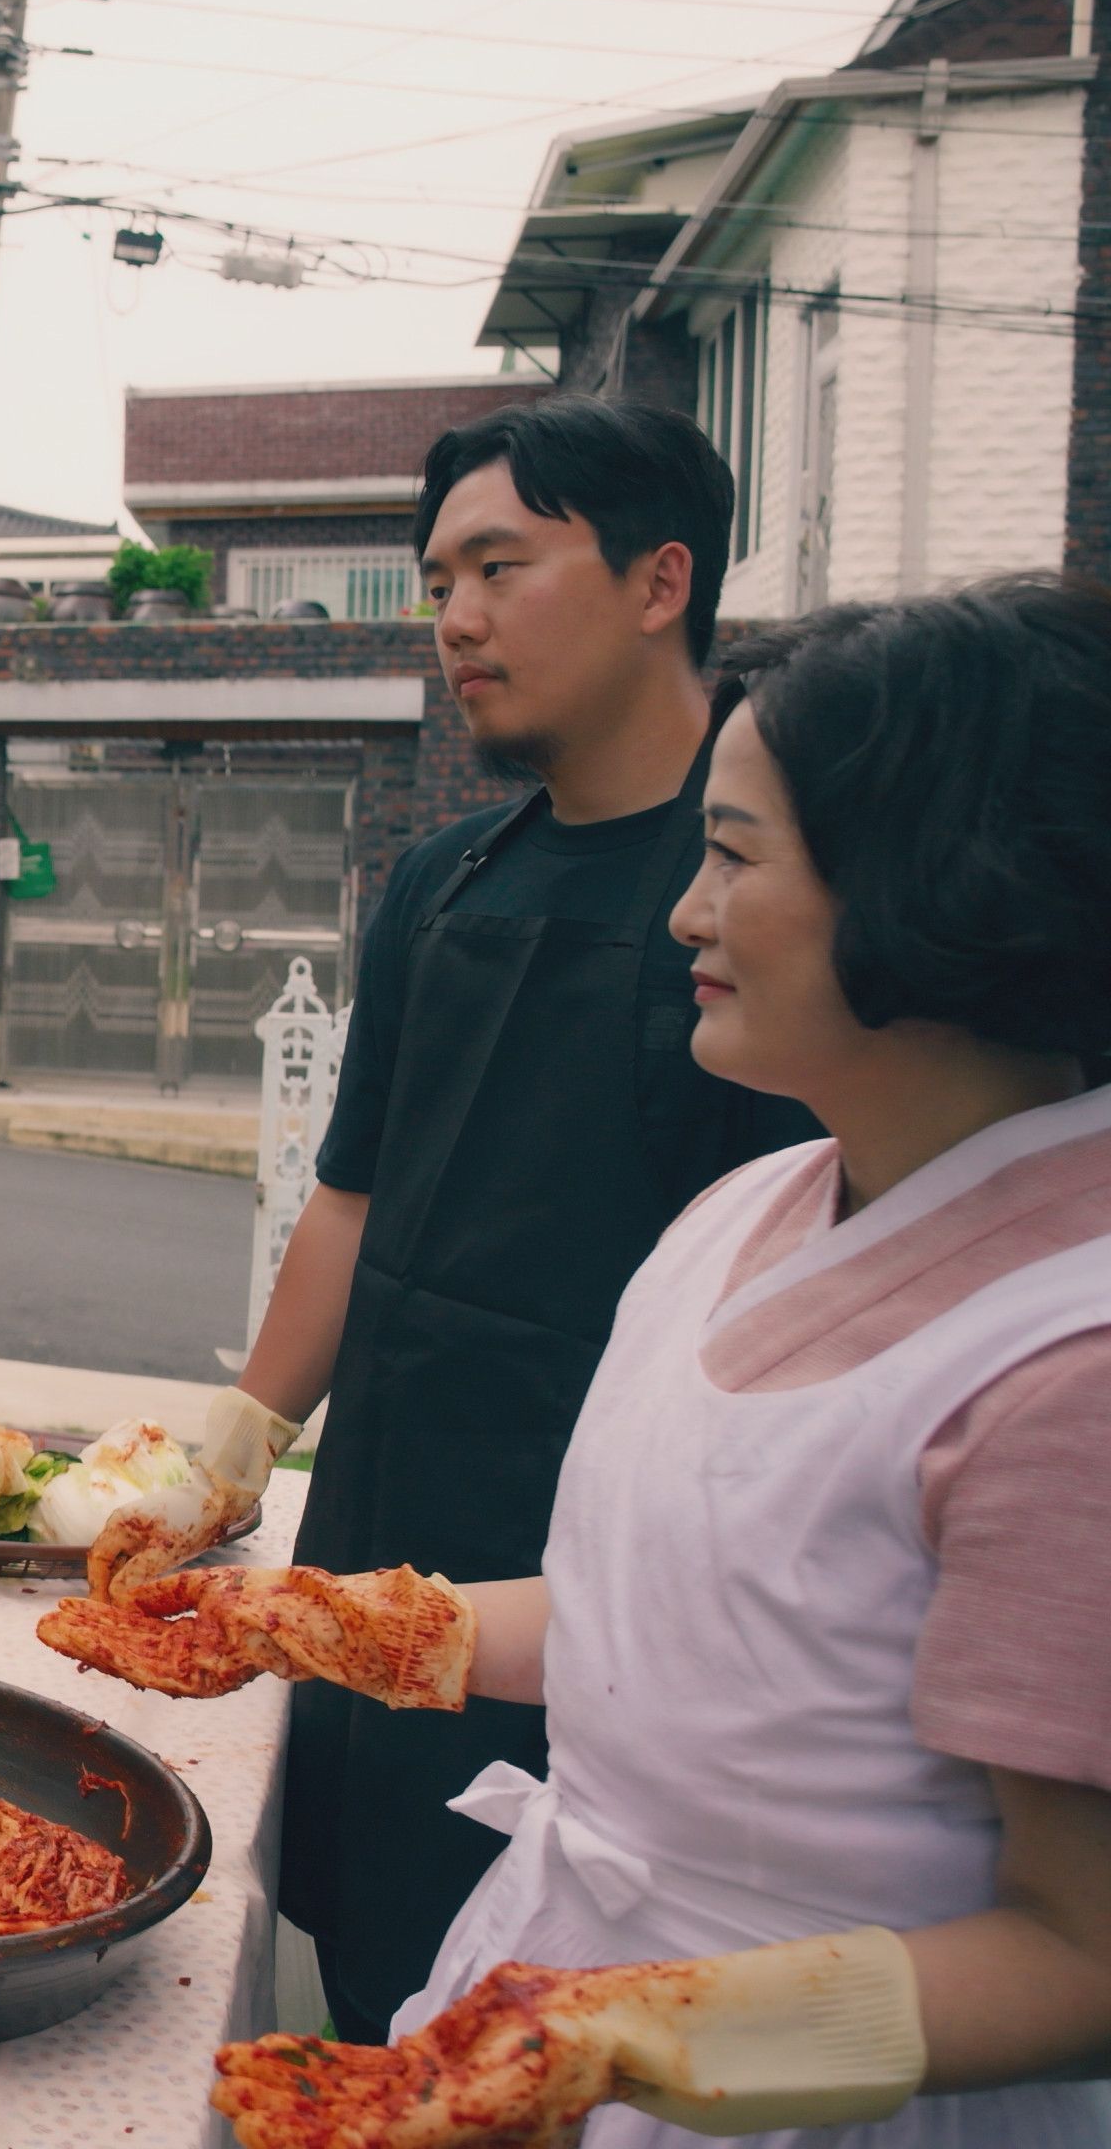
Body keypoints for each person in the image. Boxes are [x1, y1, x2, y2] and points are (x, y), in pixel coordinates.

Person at [48, 577, 1111, 2146]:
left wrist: (630, 2030)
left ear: (950, 888)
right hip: (577, 1979)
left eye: (736, 856)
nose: (684, 912)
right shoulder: (752, 1209)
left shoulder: (1064, 1369)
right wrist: (301, 1619)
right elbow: (658, 1627)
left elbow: (1080, 1956)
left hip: (819, 2092)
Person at [219, 395, 822, 2034]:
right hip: (387, 1523)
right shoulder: (445, 881)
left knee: (558, 2035)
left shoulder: (795, 898)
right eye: (436, 582)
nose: (457, 621)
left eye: (501, 564)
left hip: (624, 1585)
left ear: (658, 580)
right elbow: (354, 1192)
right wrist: (243, 1432)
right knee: (366, 1981)